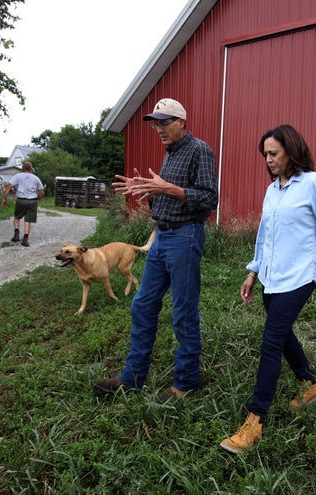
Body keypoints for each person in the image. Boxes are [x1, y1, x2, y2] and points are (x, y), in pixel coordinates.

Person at [220, 124, 316, 454]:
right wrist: (253, 271)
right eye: (265, 154)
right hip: (272, 277)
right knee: (282, 332)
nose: (269, 160)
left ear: (292, 151)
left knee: (271, 340)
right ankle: (309, 385)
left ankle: (255, 420)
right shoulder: (273, 190)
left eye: (274, 153)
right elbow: (265, 236)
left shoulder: (314, 185)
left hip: (301, 275)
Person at [92, 98, 218, 402]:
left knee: (183, 312)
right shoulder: (170, 154)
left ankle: (185, 384)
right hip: (161, 236)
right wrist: (147, 190)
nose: (159, 129)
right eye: (156, 124)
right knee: (142, 305)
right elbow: (164, 194)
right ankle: (132, 378)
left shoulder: (199, 150)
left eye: (164, 123)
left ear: (181, 122)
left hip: (185, 236)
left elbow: (208, 199)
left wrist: (165, 189)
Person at [1, 161, 45, 247]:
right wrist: (37, 198)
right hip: (32, 201)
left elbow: (8, 188)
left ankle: (16, 234)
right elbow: (42, 192)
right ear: (31, 169)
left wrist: (4, 199)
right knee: (28, 220)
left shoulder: (17, 176)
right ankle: (25, 239)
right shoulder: (36, 178)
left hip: (21, 200)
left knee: (17, 217)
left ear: (23, 168)